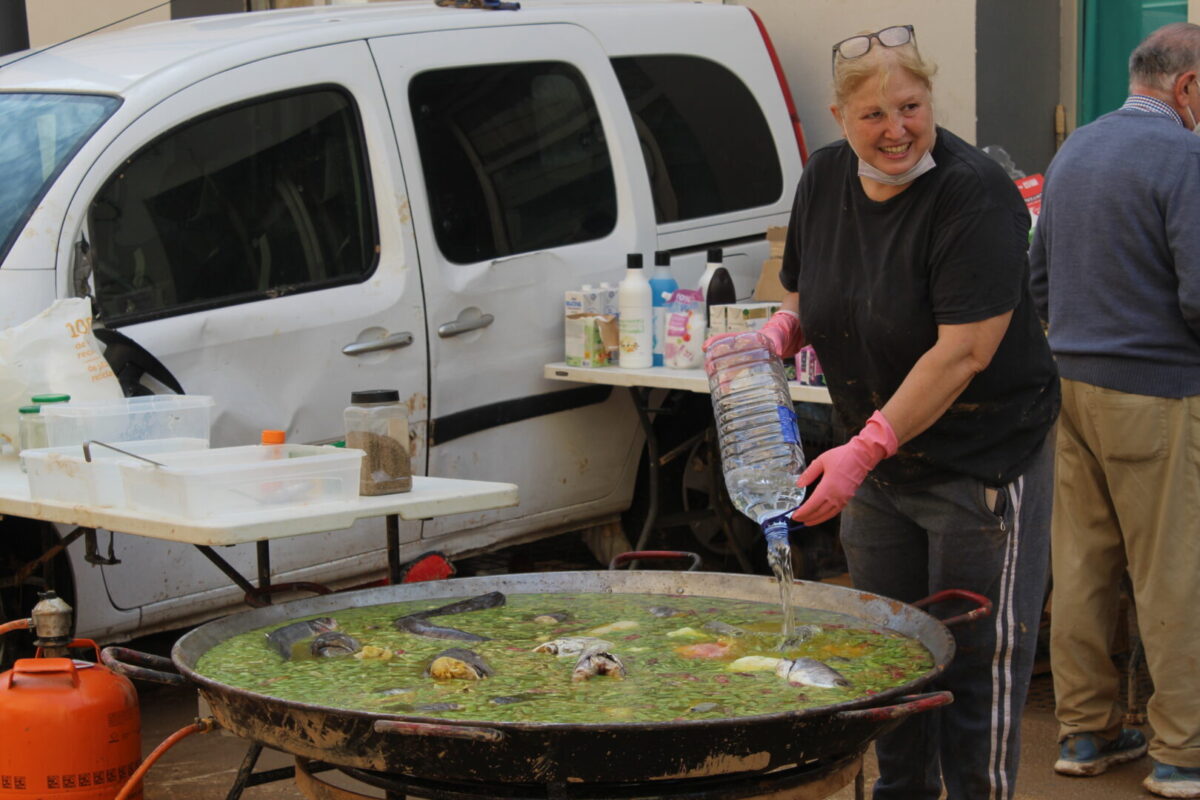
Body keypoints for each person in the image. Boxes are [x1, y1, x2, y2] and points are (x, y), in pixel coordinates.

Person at [732, 24, 1060, 800]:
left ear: (931, 101)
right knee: (886, 655)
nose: (898, 129)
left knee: (973, 663)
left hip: (980, 461)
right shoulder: (823, 178)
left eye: (911, 106)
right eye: (875, 115)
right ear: (841, 117)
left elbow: (965, 351)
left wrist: (866, 445)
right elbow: (809, 291)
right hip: (878, 472)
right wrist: (782, 329)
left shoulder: (972, 191)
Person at [1029, 22, 1200, 799]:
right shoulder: (1186, 156)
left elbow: (1035, 278)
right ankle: (1181, 754)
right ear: (1188, 87)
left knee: (1084, 566)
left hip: (1073, 386)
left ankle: (1086, 732)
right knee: (1173, 574)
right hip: (1159, 390)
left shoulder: (1075, 152)